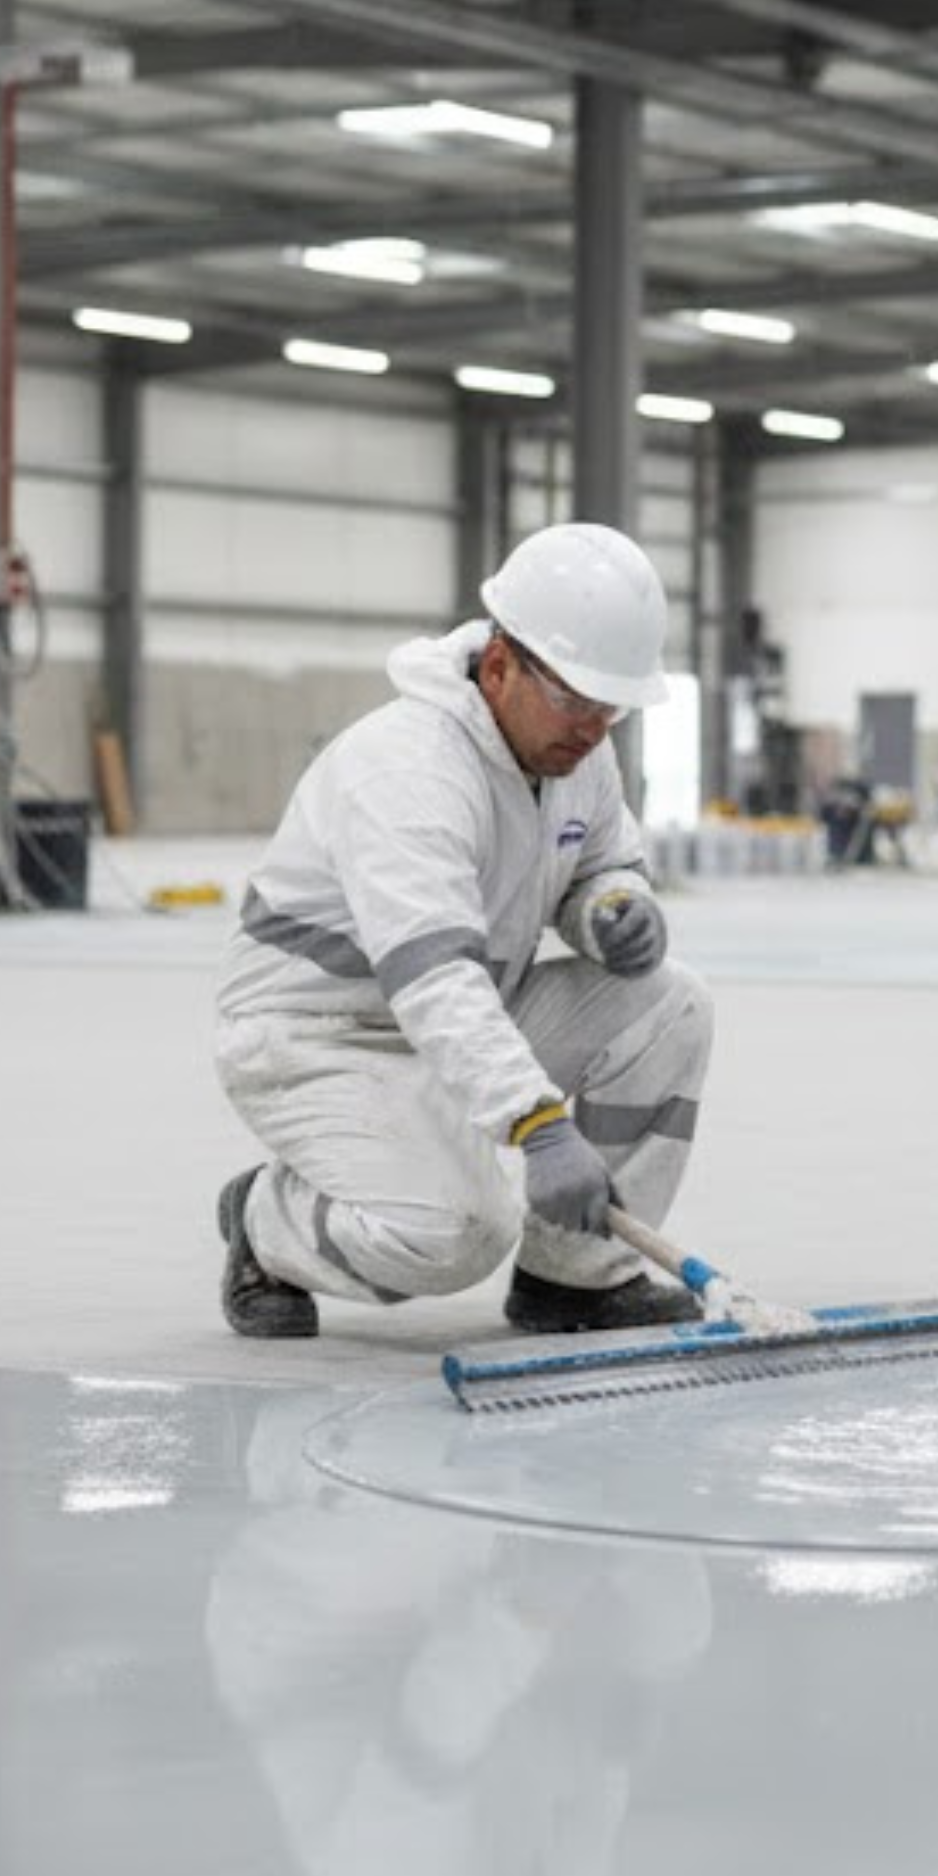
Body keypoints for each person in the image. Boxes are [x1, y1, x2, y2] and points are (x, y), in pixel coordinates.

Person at [212, 522, 713, 1343]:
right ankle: (268, 1222)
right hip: (324, 1041)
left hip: (461, 1016)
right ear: (499, 664)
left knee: (672, 1001)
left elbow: (603, 862)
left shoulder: (573, 753)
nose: (594, 728)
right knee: (460, 1233)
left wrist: (612, 910)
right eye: (576, 700)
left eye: (610, 707)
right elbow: (434, 976)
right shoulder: (405, 769)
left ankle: (573, 1279)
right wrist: (538, 1124)